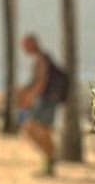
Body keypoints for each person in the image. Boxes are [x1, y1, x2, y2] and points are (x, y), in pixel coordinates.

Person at [16, 33, 68, 176]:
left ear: (33, 44)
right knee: (41, 131)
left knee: (33, 128)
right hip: (47, 99)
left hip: (47, 100)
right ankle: (49, 161)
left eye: (26, 45)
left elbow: (41, 82)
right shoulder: (41, 59)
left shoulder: (42, 59)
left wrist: (29, 99)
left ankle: (51, 157)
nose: (24, 49)